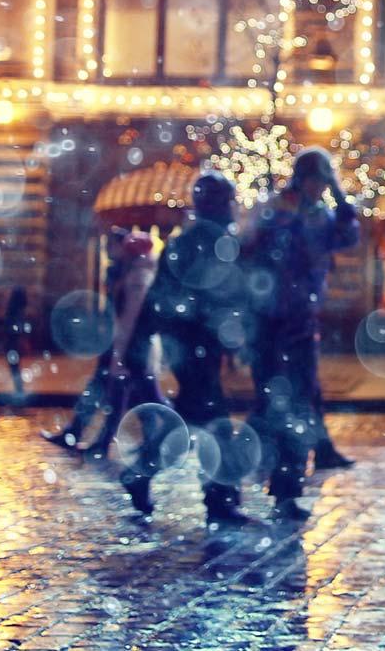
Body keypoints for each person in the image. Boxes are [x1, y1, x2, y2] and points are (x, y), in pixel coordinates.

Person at [121, 171, 256, 527]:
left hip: (193, 343)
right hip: (189, 343)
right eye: (229, 200)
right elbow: (183, 296)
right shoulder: (198, 241)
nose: (234, 207)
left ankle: (144, 472)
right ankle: (219, 500)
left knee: (191, 418)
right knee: (213, 420)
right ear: (214, 204)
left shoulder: (200, 239)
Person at [243, 147, 361, 520]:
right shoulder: (281, 210)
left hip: (297, 320)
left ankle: (282, 484)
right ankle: (263, 478)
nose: (321, 189)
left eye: (325, 183)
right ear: (303, 178)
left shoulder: (315, 211)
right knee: (278, 404)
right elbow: (256, 259)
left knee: (294, 399)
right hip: (274, 322)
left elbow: (346, 236)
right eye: (318, 181)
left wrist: (342, 198)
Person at [43, 228, 130, 448]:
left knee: (121, 395)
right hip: (117, 343)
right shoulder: (118, 271)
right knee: (106, 391)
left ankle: (95, 439)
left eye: (112, 245)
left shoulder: (129, 274)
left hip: (126, 346)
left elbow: (126, 315)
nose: (108, 250)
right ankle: (81, 435)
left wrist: (119, 347)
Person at [87, 230, 163, 458]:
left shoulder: (137, 277)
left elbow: (129, 318)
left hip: (134, 347)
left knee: (145, 397)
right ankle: (110, 442)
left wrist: (119, 353)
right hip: (135, 346)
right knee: (134, 396)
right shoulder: (135, 273)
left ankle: (172, 432)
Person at [0, 286, 31, 403]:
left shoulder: (13, 310)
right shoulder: (20, 310)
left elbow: (12, 326)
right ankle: (19, 389)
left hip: (13, 340)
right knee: (15, 366)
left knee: (14, 366)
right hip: (15, 340)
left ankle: (19, 390)